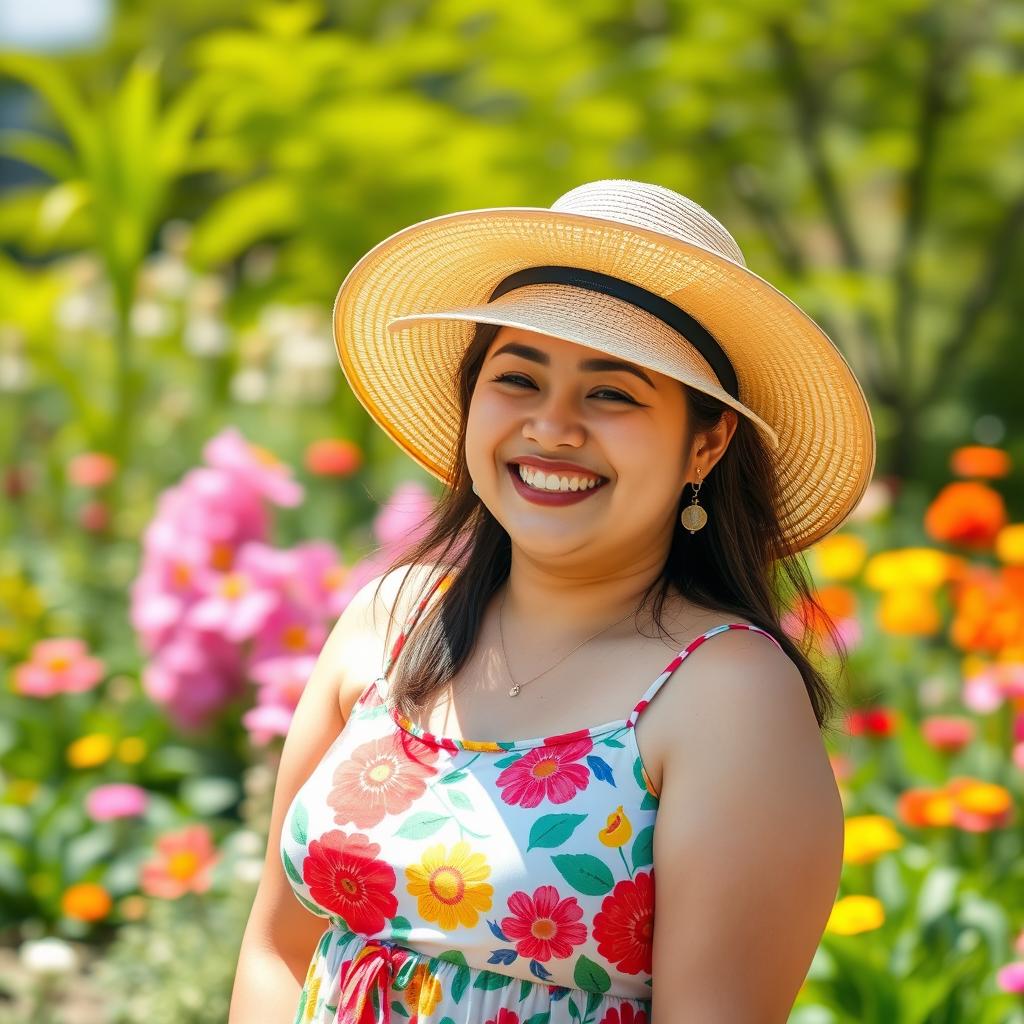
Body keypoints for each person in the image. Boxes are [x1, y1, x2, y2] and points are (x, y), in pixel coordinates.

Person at [230, 179, 876, 1023]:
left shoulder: (726, 694)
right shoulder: (389, 625)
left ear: (707, 443)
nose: (553, 427)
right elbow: (275, 950)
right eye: (518, 379)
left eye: (612, 393)